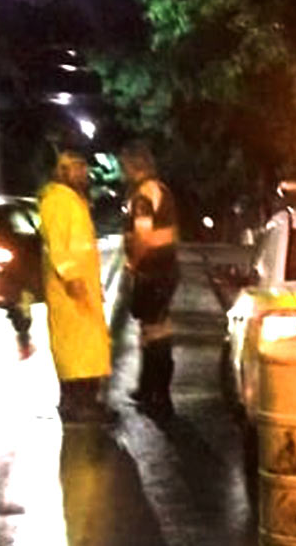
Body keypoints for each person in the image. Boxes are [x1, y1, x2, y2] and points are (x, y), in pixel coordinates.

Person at [39, 150, 115, 423]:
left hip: (82, 288)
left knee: (88, 346)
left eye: (84, 168)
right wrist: (71, 278)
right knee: (76, 348)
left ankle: (86, 402)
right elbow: (58, 246)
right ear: (62, 171)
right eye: (77, 168)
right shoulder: (58, 201)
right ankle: (76, 403)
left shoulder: (73, 200)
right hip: (70, 289)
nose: (84, 173)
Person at [120, 141, 180, 420]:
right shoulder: (162, 189)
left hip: (152, 271)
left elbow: (143, 235)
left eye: (124, 166)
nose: (122, 171)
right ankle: (148, 390)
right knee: (153, 330)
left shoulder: (143, 195)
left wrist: (133, 262)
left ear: (134, 165)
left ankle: (158, 396)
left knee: (155, 332)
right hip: (165, 270)